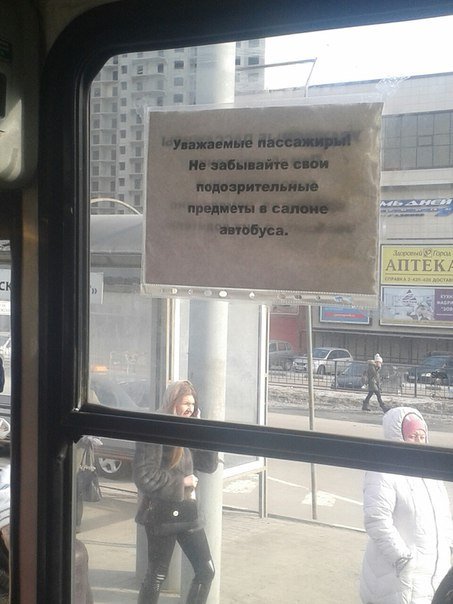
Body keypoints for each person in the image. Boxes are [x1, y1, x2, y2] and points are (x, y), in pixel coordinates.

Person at [134, 380, 218, 604]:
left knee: (206, 570)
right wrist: (182, 482)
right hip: (162, 513)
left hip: (188, 511)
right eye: (185, 403)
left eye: (193, 404)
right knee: (156, 575)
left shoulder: (188, 428)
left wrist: (204, 431)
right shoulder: (155, 427)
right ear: (172, 402)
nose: (190, 408)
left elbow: (209, 465)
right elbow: (144, 476)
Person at [359, 407, 453, 604]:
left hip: (432, 574)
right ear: (398, 436)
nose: (418, 441)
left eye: (421, 436)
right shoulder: (384, 470)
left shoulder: (430, 472)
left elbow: (443, 517)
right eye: (412, 436)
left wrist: (448, 548)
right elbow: (376, 519)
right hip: (397, 578)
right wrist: (402, 559)